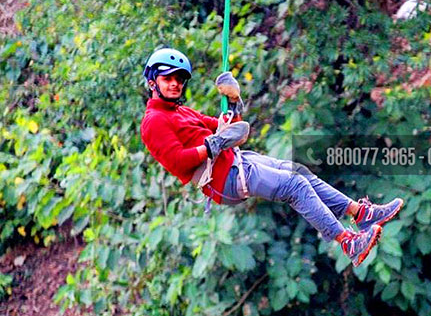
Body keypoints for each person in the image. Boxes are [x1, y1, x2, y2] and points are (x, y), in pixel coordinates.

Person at [140, 48, 404, 267]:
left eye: (178, 78)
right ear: (153, 82)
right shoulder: (154, 121)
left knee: (299, 172)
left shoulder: (181, 112)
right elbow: (178, 162)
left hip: (236, 161)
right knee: (294, 185)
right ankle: (348, 242)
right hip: (223, 179)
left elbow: (229, 128)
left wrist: (234, 104)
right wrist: (213, 145)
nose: (174, 83)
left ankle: (361, 213)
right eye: (167, 79)